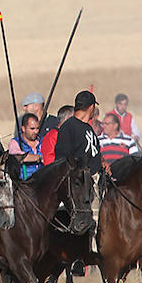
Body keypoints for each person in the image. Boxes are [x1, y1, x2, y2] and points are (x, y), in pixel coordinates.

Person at [55, 91, 103, 271]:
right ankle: (84, 252)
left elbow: (93, 152)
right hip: (80, 183)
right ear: (91, 107)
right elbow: (62, 158)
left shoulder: (88, 128)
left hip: (96, 179)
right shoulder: (69, 128)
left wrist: (102, 163)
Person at [8, 112, 44, 181]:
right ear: (23, 129)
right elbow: (19, 157)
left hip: (42, 183)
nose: (36, 132)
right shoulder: (15, 142)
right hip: (23, 184)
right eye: (32, 129)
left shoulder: (42, 141)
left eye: (37, 128)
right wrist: (39, 157)